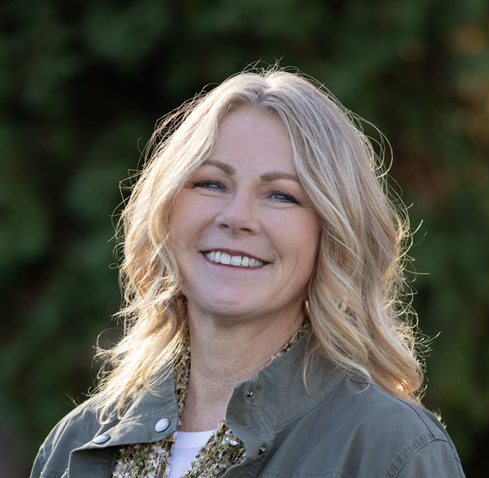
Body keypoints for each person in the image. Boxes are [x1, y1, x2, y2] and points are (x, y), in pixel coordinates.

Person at [31, 66, 465, 478]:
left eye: (280, 195)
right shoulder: (77, 443)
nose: (237, 217)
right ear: (165, 211)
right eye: (211, 183)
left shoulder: (389, 447)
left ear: (331, 234)